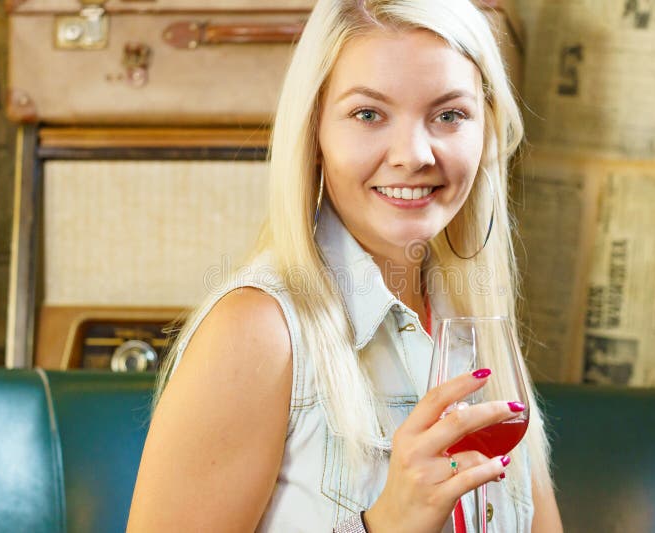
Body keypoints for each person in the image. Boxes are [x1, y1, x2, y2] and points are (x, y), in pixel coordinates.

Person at [127, 0, 563, 531]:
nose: (413, 155)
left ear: (486, 131)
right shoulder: (257, 331)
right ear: (314, 134)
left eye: (449, 115)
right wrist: (383, 525)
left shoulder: (475, 323)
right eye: (368, 114)